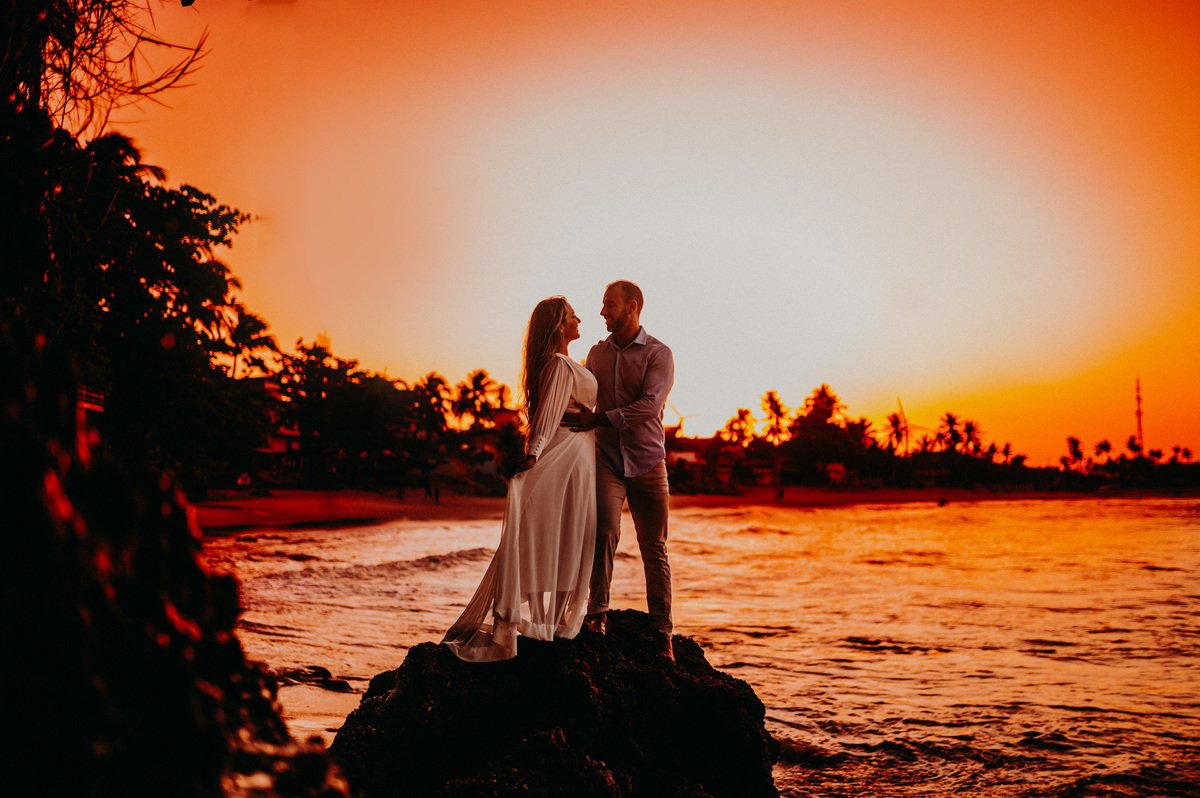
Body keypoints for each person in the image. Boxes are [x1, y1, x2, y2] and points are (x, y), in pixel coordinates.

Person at [442, 297, 597, 662]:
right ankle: (548, 625)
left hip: (578, 457)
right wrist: (532, 454)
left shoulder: (567, 363)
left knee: (570, 535)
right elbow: (545, 419)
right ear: (560, 324)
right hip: (563, 456)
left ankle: (555, 623)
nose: (579, 318)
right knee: (562, 534)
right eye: (572, 314)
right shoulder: (559, 365)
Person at [573, 280, 676, 660]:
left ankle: (663, 633)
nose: (602, 312)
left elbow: (650, 406)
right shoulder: (596, 355)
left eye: (609, 305)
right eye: (602, 305)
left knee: (655, 548)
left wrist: (601, 419)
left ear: (632, 307)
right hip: (608, 461)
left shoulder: (658, 353)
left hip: (649, 462)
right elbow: (581, 396)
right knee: (603, 532)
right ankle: (597, 614)